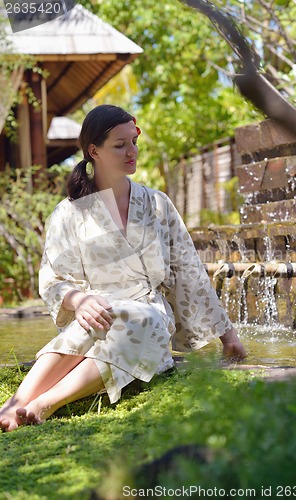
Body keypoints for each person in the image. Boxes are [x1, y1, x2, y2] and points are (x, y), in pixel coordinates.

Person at [0, 105, 246, 432]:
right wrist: (79, 301)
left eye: (134, 141)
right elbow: (52, 279)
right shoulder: (68, 213)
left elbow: (188, 269)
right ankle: (13, 405)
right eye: (120, 145)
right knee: (98, 317)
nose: (132, 152)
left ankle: (46, 403)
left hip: (147, 313)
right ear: (94, 151)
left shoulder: (157, 204)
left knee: (141, 319)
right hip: (95, 314)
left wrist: (228, 336)